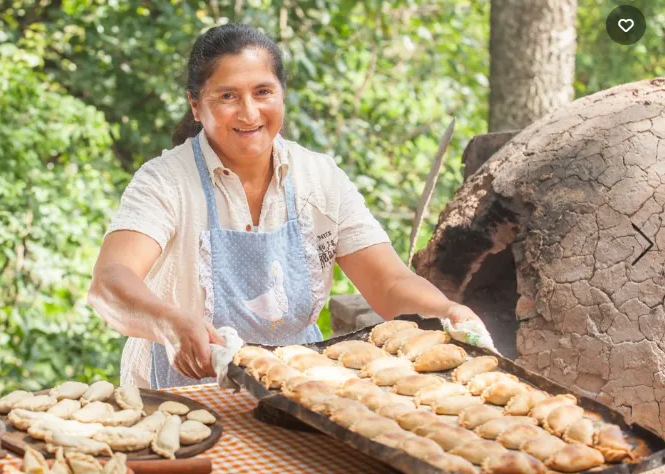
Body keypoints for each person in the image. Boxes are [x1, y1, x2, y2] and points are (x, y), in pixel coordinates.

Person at [88, 23, 486, 389]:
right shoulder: (166, 181)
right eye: (227, 96)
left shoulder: (319, 178)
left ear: (281, 94)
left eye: (263, 92)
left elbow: (389, 283)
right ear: (196, 105)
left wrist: (450, 312)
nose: (248, 112)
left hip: (296, 389)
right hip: (185, 392)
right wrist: (168, 323)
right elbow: (109, 282)